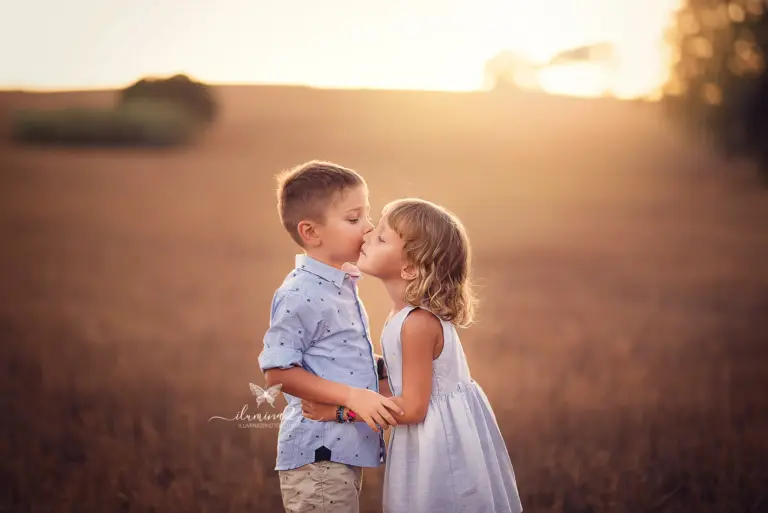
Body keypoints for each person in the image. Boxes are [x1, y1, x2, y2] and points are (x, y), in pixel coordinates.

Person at [301, 198, 524, 513]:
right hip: (427, 436)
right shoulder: (403, 315)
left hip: (439, 446)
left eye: (380, 238)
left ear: (408, 268)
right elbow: (399, 385)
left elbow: (413, 409)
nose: (366, 237)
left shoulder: (417, 324)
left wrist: (338, 412)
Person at [258, 160, 403, 513]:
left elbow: (334, 357)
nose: (368, 228)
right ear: (311, 232)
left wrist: (385, 368)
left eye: (366, 215)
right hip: (318, 454)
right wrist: (355, 396)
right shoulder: (302, 292)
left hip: (339, 450)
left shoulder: (339, 285)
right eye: (354, 219)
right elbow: (277, 372)